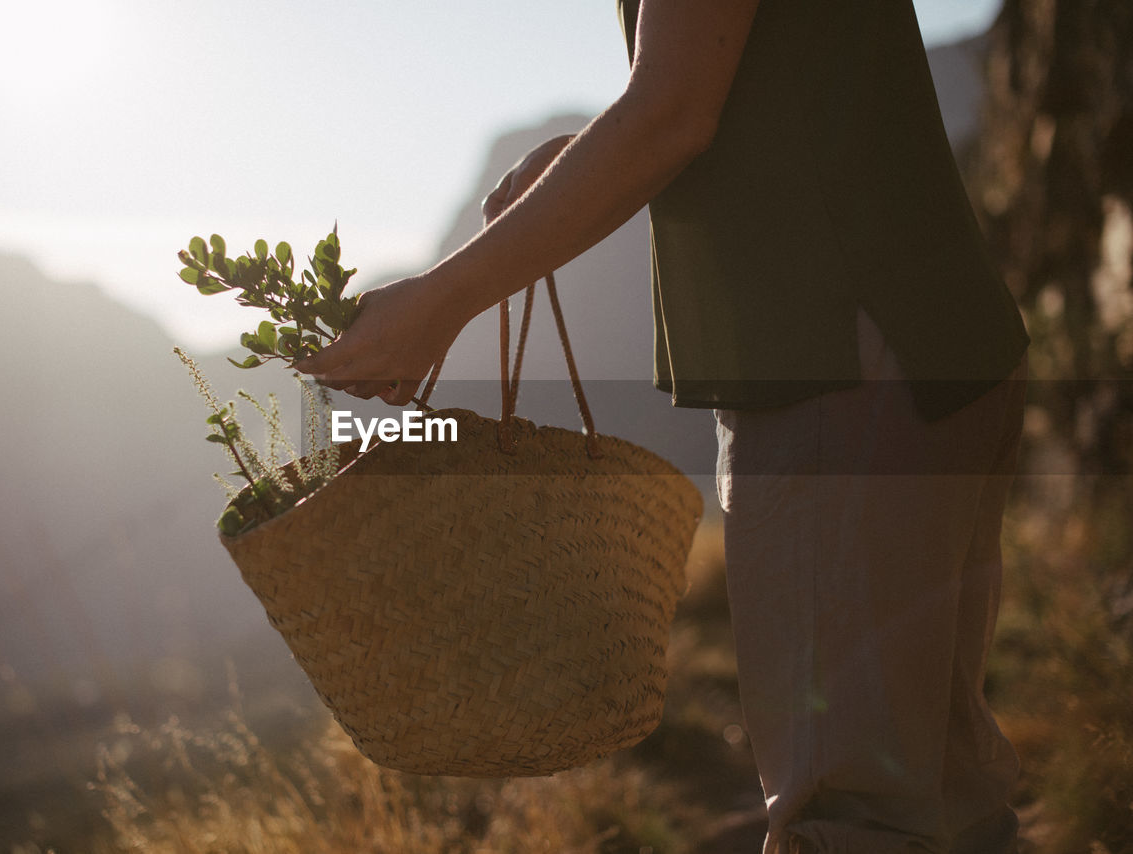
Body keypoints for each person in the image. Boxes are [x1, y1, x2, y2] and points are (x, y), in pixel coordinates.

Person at [296, 1, 1030, 851]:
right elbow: (748, 83)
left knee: (853, 812)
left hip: (834, 362)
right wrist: (593, 151)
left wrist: (440, 303)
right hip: (925, 335)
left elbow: (676, 110)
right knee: (944, 785)